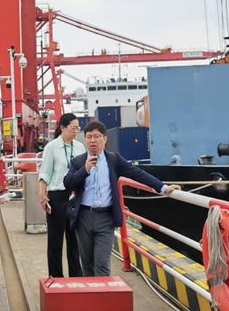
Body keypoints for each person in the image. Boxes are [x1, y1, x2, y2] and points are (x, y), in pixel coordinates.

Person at [64, 121, 179, 276]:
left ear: (104, 139)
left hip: (106, 218)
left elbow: (137, 173)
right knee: (87, 263)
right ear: (84, 140)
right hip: (83, 217)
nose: (93, 140)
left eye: (97, 136)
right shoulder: (78, 162)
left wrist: (163, 187)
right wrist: (84, 170)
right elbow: (68, 183)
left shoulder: (114, 160)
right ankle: (91, 297)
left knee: (102, 264)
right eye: (89, 137)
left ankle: (104, 297)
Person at [38, 113, 85, 278]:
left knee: (74, 241)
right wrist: (43, 195)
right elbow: (45, 173)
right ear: (62, 127)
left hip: (76, 195)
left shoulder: (80, 147)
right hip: (57, 196)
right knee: (55, 241)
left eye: (77, 129)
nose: (75, 132)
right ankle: (56, 278)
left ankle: (76, 278)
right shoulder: (52, 147)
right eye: (73, 128)